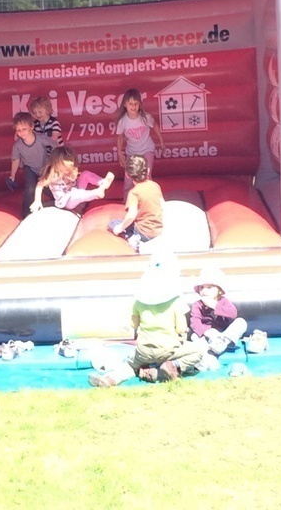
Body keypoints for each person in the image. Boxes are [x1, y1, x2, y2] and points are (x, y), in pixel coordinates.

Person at [88, 253, 207, 388]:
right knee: (199, 351)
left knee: (130, 366)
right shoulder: (176, 301)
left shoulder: (139, 302)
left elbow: (134, 324)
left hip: (143, 350)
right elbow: (181, 328)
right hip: (168, 349)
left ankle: (111, 379)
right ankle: (171, 366)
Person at [30, 145, 115, 212]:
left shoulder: (70, 170)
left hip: (74, 189)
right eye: (65, 167)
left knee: (85, 174)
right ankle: (96, 193)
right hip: (65, 201)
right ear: (56, 164)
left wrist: (73, 173)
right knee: (77, 193)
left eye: (70, 167)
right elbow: (40, 185)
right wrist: (37, 201)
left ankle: (102, 182)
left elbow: (74, 179)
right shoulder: (53, 175)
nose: (68, 169)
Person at [116, 88, 165, 200]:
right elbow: (120, 137)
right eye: (130, 104)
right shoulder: (123, 121)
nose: (133, 106)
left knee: (146, 175)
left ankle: (151, 199)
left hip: (147, 149)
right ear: (125, 104)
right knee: (129, 179)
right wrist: (120, 153)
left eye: (136, 103)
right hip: (132, 152)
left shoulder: (145, 117)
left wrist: (161, 141)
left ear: (140, 104)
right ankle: (127, 201)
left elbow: (155, 126)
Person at [108, 154, 163, 251]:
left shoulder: (134, 193)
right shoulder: (155, 185)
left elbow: (131, 215)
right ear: (147, 171)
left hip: (143, 232)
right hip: (158, 231)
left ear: (127, 175)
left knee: (113, 223)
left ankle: (133, 239)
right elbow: (162, 205)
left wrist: (120, 228)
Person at [8, 112, 57, 218]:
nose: (21, 133)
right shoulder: (17, 145)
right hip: (29, 168)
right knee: (30, 188)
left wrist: (55, 161)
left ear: (32, 126)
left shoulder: (41, 138)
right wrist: (12, 175)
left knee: (49, 187)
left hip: (44, 166)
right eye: (18, 130)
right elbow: (15, 160)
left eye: (24, 129)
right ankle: (26, 212)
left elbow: (55, 146)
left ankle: (59, 203)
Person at [190, 266, 247, 355]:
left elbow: (233, 314)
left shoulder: (223, 301)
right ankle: (208, 349)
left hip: (224, 333)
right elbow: (195, 321)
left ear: (219, 291)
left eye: (209, 287)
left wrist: (215, 306)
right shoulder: (197, 304)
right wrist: (205, 332)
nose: (204, 290)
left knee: (241, 322)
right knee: (194, 336)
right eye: (202, 287)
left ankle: (222, 343)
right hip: (208, 334)